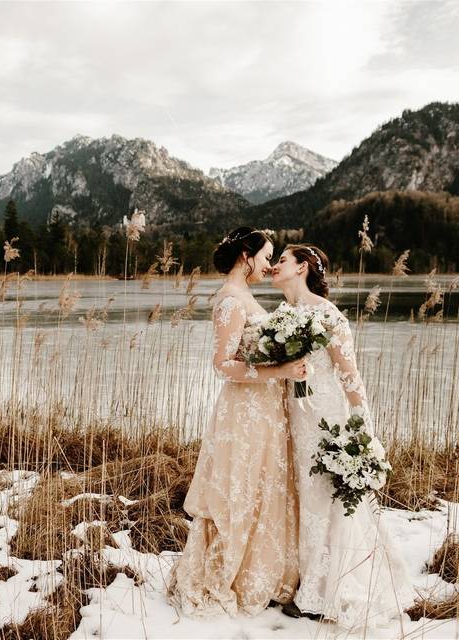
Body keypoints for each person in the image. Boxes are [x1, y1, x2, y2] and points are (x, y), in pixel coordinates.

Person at [271, 244, 415, 631]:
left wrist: (362, 424)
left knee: (324, 494)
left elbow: (348, 372)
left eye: (282, 260)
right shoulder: (282, 315)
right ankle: (301, 577)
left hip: (324, 414)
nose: (274, 265)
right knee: (302, 491)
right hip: (293, 416)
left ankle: (321, 591)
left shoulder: (327, 313)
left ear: (301, 267)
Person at [167, 227, 306, 617]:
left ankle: (266, 572)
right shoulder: (230, 301)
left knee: (263, 486)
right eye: (266, 255)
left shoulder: (246, 296)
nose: (269, 263)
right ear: (247, 255)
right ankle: (231, 575)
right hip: (243, 412)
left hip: (263, 410)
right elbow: (224, 366)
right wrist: (279, 370)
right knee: (239, 488)